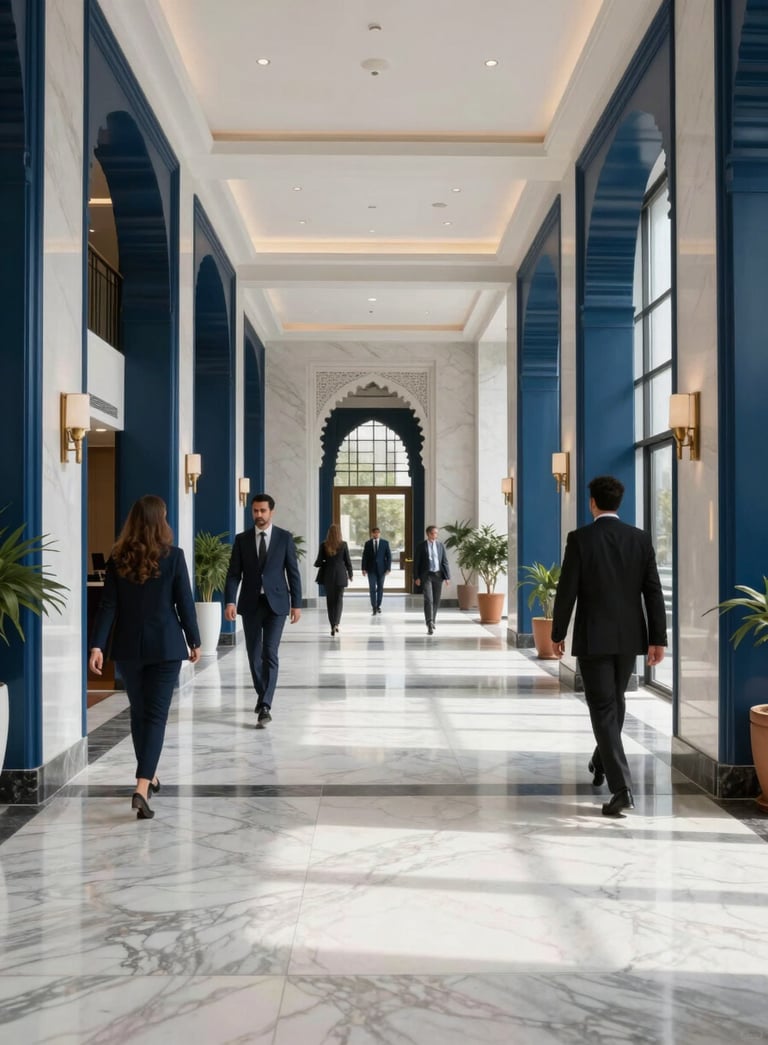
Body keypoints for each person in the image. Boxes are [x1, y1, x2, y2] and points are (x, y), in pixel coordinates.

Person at [551, 475, 667, 817]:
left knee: (604, 708)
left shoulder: (580, 539)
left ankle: (621, 789)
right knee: (613, 703)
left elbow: (567, 590)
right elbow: (653, 591)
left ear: (592, 503)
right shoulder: (640, 539)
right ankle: (600, 759)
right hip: (630, 639)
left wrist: (558, 632)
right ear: (619, 502)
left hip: (593, 638)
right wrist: (657, 638)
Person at [88, 495, 201, 821]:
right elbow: (185, 603)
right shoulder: (174, 557)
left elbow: (108, 605)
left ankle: (148, 776)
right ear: (160, 520)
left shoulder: (118, 557)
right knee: (155, 717)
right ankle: (141, 787)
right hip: (165, 647)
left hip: (127, 648)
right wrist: (194, 639)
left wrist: (97, 645)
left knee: (140, 713)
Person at [224, 492, 302, 728]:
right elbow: (234, 574)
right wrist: (230, 601)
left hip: (277, 604)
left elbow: (293, 572)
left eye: (263, 511)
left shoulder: (284, 538)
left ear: (271, 511)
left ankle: (265, 703)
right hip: (250, 604)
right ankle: (263, 694)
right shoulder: (242, 540)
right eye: (255, 511)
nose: (258, 515)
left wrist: (296, 604)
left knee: (270, 652)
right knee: (253, 653)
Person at [314, 523, 353, 636]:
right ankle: (337, 623)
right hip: (341, 574)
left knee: (330, 601)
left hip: (328, 575)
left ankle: (332, 625)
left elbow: (319, 562)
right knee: (339, 600)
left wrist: (322, 562)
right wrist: (350, 574)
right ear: (339, 533)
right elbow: (348, 561)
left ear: (329, 533)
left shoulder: (324, 545)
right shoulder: (343, 544)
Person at [413, 525, 450, 635]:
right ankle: (429, 623)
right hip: (426, 575)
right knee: (429, 599)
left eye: (436, 533)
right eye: (433, 533)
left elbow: (444, 562)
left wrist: (447, 577)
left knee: (436, 600)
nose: (435, 535)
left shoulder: (440, 546)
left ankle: (433, 620)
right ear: (428, 534)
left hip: (438, 576)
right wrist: (416, 577)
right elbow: (416, 563)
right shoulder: (421, 546)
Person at [361, 525, 391, 614]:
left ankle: (378, 606)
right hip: (371, 569)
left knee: (380, 587)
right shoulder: (368, 543)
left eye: (378, 533)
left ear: (379, 533)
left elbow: (389, 556)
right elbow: (365, 556)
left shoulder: (385, 543)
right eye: (375, 533)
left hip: (382, 570)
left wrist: (388, 568)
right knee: (372, 588)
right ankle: (373, 606)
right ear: (372, 534)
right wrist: (363, 568)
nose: (376, 534)